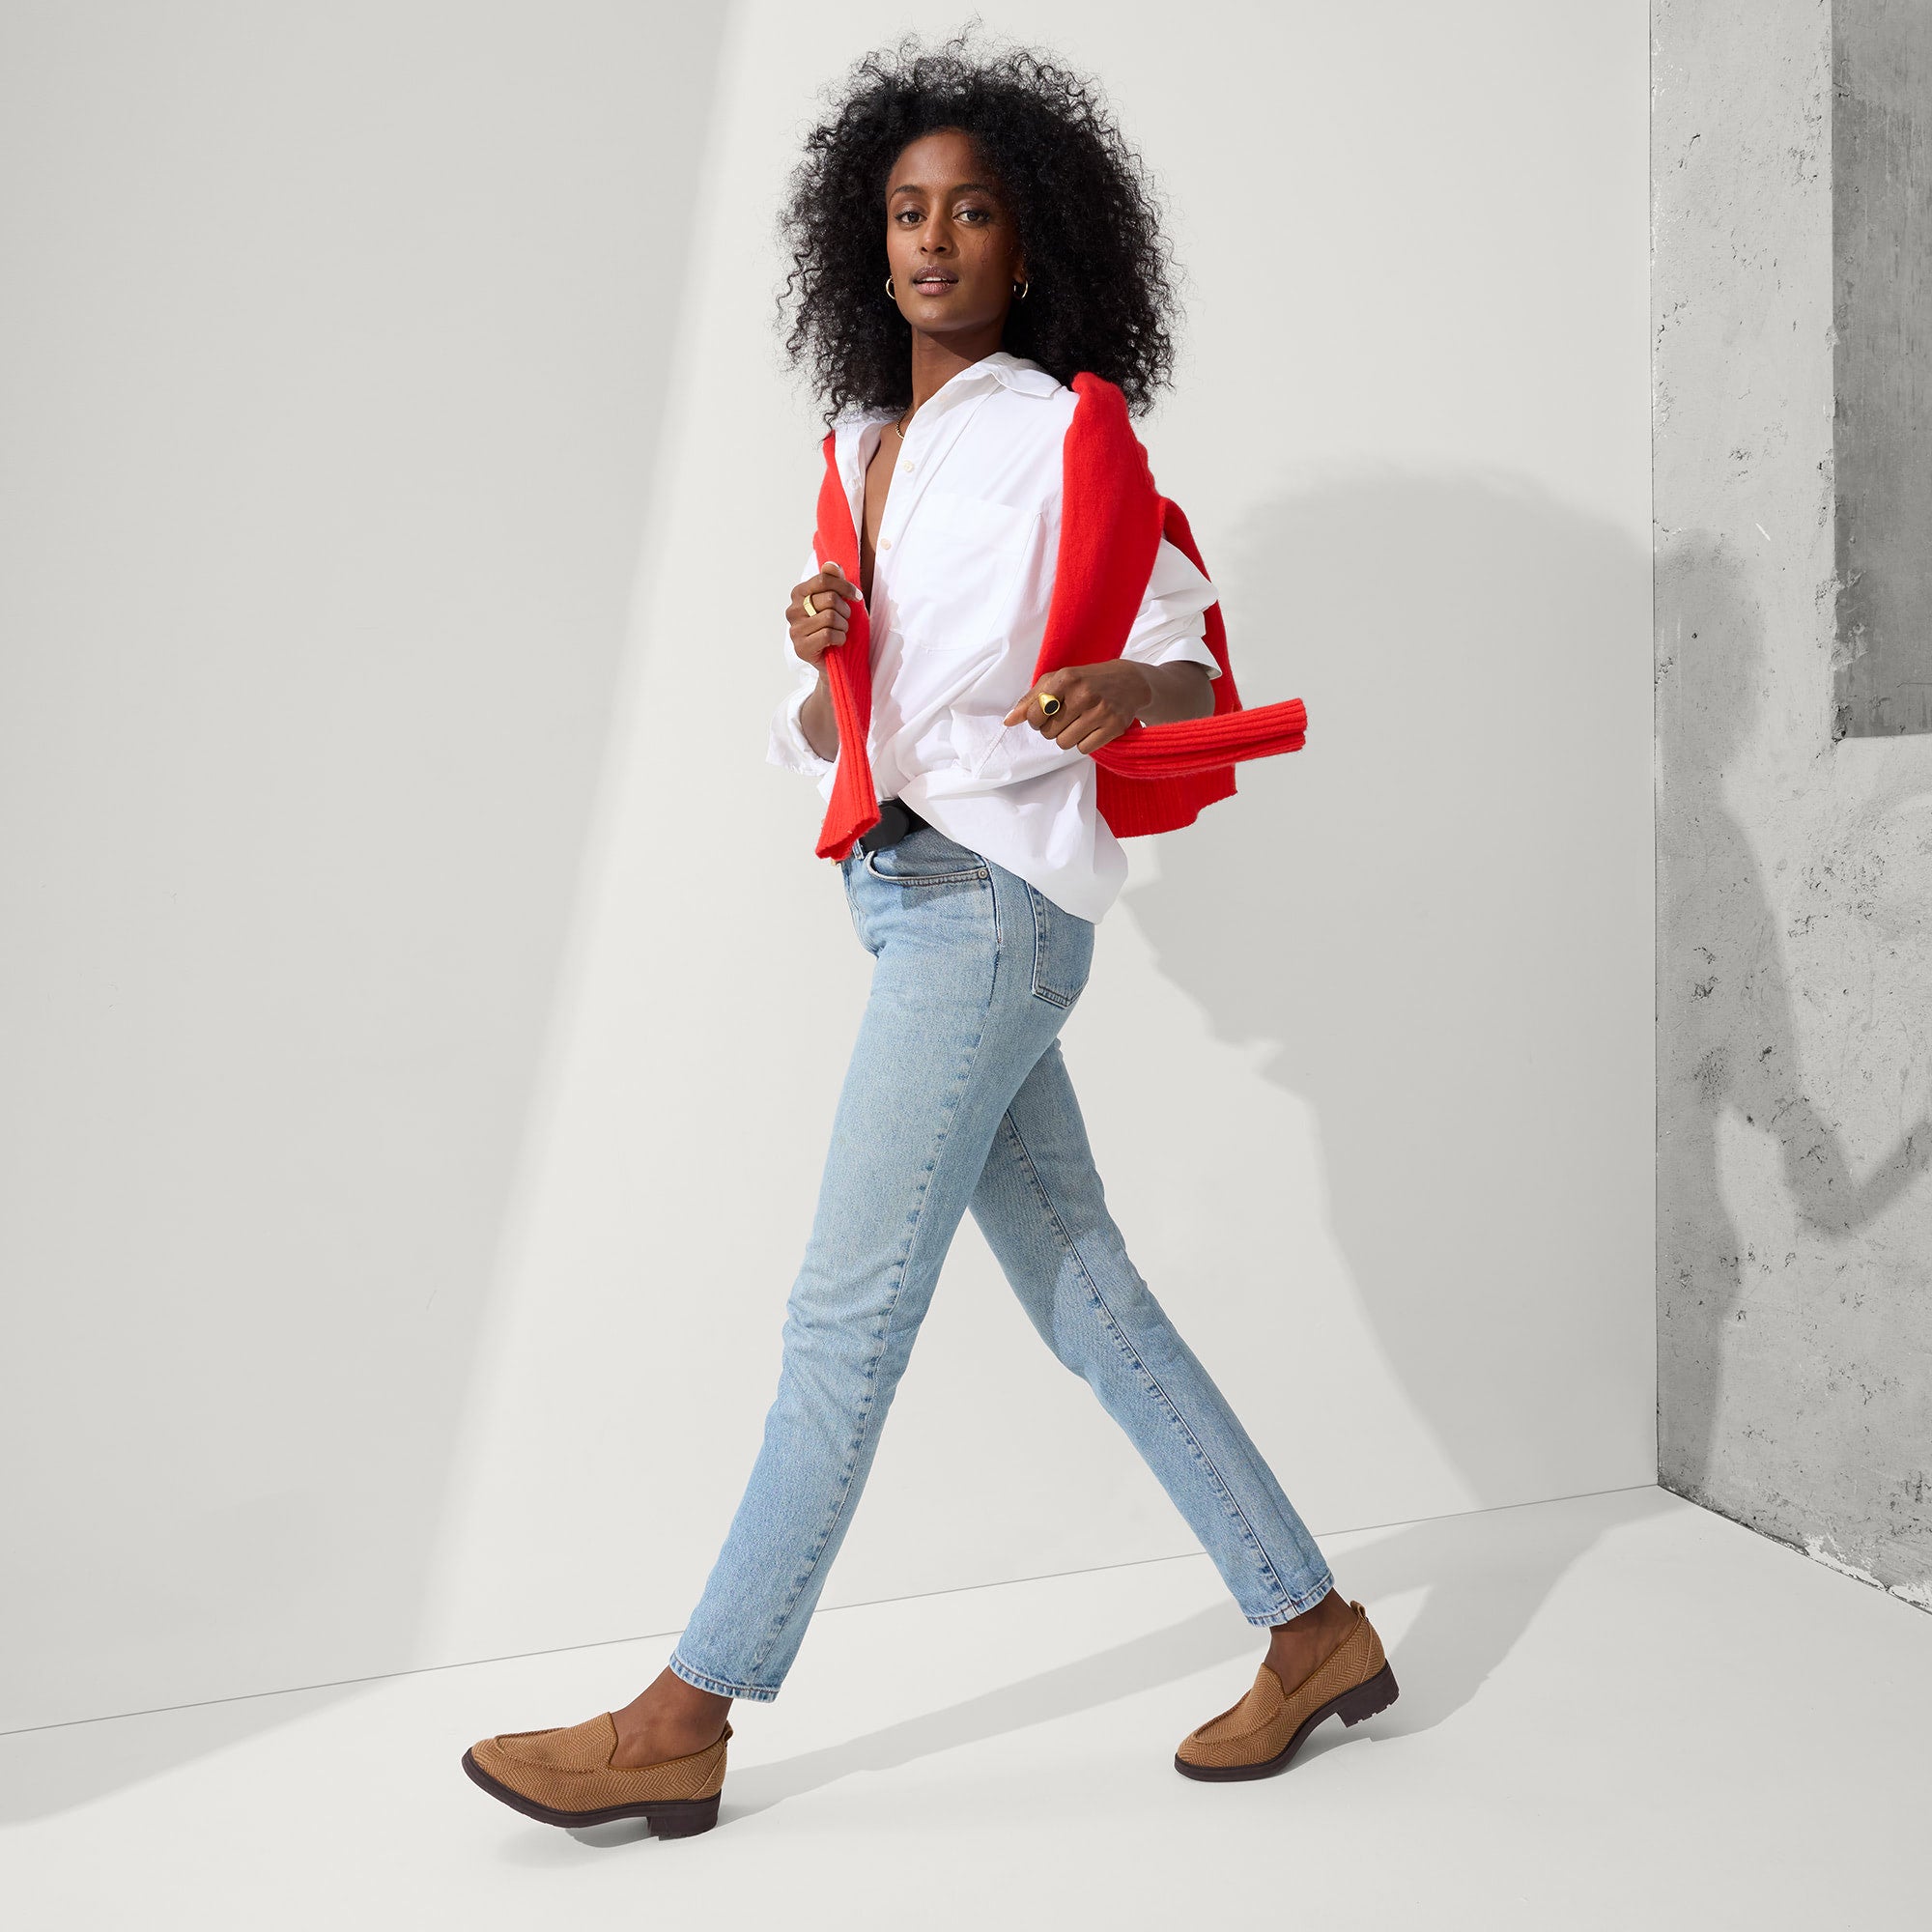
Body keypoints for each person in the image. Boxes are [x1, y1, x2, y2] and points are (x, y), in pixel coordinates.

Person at [463, 39, 1395, 1838]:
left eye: (971, 212)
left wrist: (1121, 685)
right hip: (901, 897)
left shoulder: (1065, 434)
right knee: (1088, 1292)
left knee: (844, 1316)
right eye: (906, 212)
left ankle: (685, 1718)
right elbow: (853, 727)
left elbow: (1193, 659)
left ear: (1029, 245)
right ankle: (1315, 1630)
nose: (935, 240)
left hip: (992, 909)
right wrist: (826, 644)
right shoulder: (859, 449)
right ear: (866, 240)